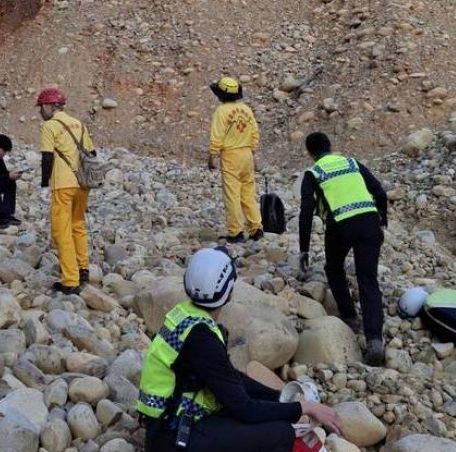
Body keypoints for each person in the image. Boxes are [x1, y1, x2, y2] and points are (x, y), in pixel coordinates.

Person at [136, 247, 343, 452]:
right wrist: (303, 408)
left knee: (265, 419)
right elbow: (245, 409)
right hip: (173, 439)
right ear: (228, 293)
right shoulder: (202, 340)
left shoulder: (185, 317)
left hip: (165, 426)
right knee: (281, 433)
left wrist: (279, 396)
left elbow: (229, 377)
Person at [298, 132, 388, 365]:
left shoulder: (313, 173)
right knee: (368, 279)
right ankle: (375, 340)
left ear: (310, 153)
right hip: (369, 222)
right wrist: (382, 218)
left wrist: (304, 250)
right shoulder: (352, 163)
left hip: (340, 226)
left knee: (335, 268)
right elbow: (379, 192)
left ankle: (349, 317)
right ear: (331, 146)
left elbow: (306, 213)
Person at [37, 88, 94, 295]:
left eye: (40, 108)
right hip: (83, 183)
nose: (40, 112)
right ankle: (83, 267)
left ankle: (71, 280)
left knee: (61, 230)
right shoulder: (78, 124)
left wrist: (44, 183)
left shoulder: (49, 126)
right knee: (78, 224)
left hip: (63, 183)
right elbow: (92, 152)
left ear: (47, 106)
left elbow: (47, 158)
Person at [207, 77, 263, 243]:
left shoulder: (221, 111)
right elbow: (255, 133)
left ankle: (235, 232)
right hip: (246, 154)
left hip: (231, 155)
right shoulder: (246, 109)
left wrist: (212, 155)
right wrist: (252, 152)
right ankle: (256, 228)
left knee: (232, 194)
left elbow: (216, 135)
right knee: (248, 192)